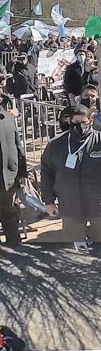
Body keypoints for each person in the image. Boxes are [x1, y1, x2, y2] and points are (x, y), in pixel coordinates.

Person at [40, 105, 101, 242]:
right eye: (76, 123)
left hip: (100, 206)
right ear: (70, 122)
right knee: (74, 247)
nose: (80, 126)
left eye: (83, 122)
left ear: (90, 121)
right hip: (70, 206)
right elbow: (46, 172)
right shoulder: (56, 144)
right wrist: (48, 201)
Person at [0, 100, 26, 246]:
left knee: (10, 218)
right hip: (9, 178)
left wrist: (22, 173)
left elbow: (18, 146)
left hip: (9, 179)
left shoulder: (8, 118)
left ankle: (16, 251)